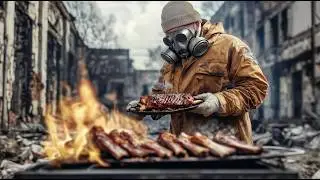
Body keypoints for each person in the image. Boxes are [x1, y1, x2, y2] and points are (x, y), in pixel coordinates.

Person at [127, 1, 269, 144]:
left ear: (196, 24)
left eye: (181, 37)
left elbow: (257, 87)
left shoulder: (231, 46)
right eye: (170, 40)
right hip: (185, 148)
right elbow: (162, 94)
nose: (177, 45)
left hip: (227, 146)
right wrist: (146, 106)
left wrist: (219, 101)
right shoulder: (171, 63)